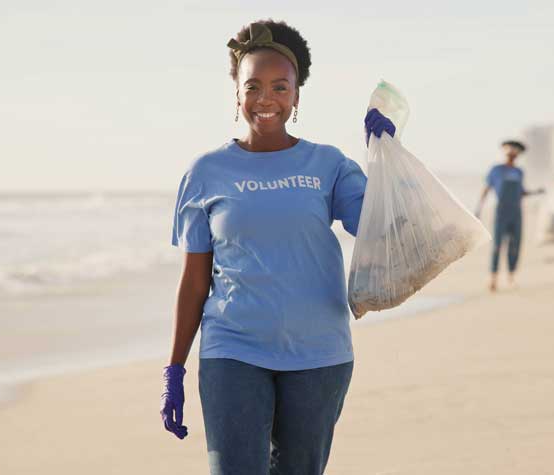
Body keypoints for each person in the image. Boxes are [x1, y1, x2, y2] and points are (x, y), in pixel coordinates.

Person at [160, 20, 396, 475]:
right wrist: (175, 370)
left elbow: (381, 226)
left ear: (296, 96)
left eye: (280, 87)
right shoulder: (206, 172)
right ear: (236, 94)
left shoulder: (327, 164)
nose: (266, 99)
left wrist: (385, 156)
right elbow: (193, 281)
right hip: (233, 349)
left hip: (319, 353)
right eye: (253, 86)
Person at [475, 140, 542, 292]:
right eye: (509, 149)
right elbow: (486, 189)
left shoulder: (519, 172)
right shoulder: (496, 170)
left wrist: (535, 192)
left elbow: (521, 192)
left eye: (515, 150)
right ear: (504, 151)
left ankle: (511, 277)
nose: (512, 152)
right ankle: (493, 278)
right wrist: (479, 208)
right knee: (497, 245)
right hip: (501, 212)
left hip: (516, 213)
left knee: (515, 245)